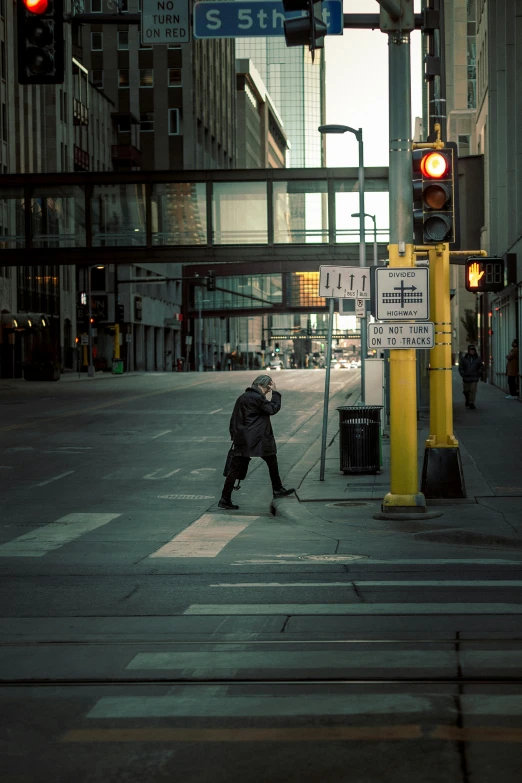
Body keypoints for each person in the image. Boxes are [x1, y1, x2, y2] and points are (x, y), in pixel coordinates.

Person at [219, 374, 295, 510]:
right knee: (271, 459)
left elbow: (234, 419)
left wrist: (235, 436)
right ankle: (277, 488)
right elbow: (273, 409)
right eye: (267, 389)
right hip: (256, 439)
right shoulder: (257, 398)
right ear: (261, 385)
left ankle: (225, 498)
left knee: (235, 469)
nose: (267, 392)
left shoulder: (243, 397)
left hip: (243, 439)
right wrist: (276, 392)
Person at [458, 345, 484, 410]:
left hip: (474, 377)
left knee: (473, 390)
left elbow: (481, 366)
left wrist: (478, 373)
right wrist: (463, 374)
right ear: (468, 351)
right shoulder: (464, 359)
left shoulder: (478, 359)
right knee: (466, 391)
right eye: (471, 350)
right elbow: (460, 368)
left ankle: (471, 403)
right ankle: (467, 399)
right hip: (466, 378)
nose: (472, 351)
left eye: (473, 350)